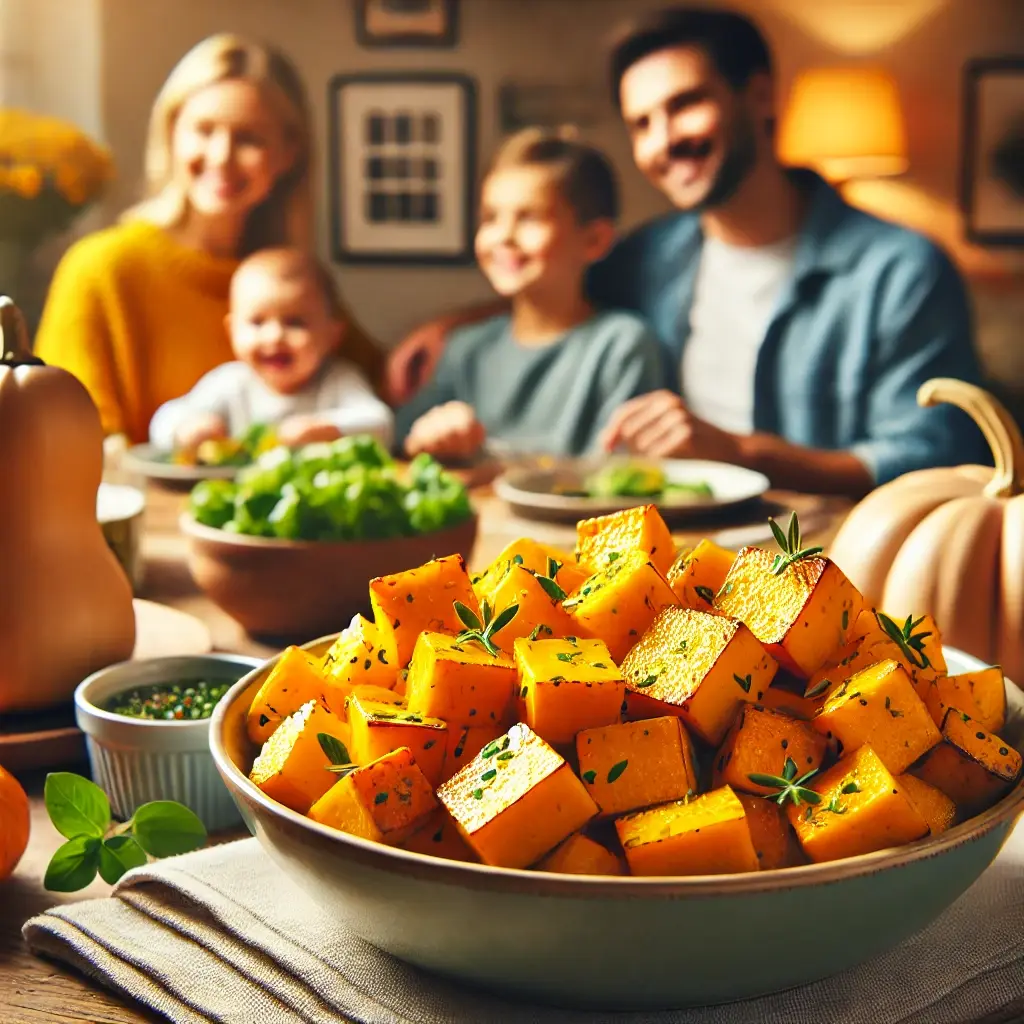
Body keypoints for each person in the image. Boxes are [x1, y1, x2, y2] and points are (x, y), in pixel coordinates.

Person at [385, 7, 987, 496]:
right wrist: (454, 323)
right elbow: (555, 289)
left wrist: (741, 452)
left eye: (684, 105)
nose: (661, 142)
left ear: (757, 96)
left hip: (830, 559)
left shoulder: (901, 271)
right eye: (641, 123)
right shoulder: (649, 257)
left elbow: (933, 458)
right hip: (674, 552)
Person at [33, 33, 384, 444]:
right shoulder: (100, 269)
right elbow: (63, 442)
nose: (221, 156)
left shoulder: (289, 279)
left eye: (249, 138)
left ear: (289, 153)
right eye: (203, 130)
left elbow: (389, 384)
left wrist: (450, 323)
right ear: (171, 134)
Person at [395, 127, 664, 461]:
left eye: (530, 218)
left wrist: (487, 460)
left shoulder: (622, 346)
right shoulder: (464, 350)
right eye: (491, 218)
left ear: (594, 241)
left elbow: (616, 475)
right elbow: (402, 442)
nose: (503, 236)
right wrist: (426, 439)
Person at [148, 248, 392, 452]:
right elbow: (163, 420)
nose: (274, 337)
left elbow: (381, 424)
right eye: (257, 322)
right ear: (232, 330)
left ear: (332, 335)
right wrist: (187, 428)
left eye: (295, 323)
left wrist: (327, 428)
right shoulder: (230, 383)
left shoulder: (337, 380)